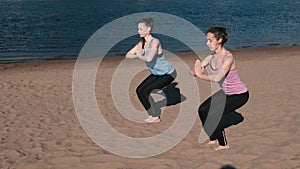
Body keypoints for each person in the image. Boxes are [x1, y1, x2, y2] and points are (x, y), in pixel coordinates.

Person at [192, 27, 249, 150]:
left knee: (214, 114)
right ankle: (213, 137)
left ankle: (223, 144)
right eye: (207, 40)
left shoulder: (228, 58)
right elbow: (201, 66)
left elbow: (218, 78)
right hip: (226, 92)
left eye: (210, 40)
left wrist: (201, 75)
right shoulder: (212, 56)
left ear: (220, 40)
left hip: (239, 95)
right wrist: (196, 69)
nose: (207, 43)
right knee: (202, 110)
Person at [125, 17, 177, 123]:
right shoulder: (141, 43)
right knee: (139, 90)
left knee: (146, 91)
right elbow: (127, 55)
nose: (138, 31)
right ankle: (152, 114)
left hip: (168, 74)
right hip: (156, 73)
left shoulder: (155, 42)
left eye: (140, 29)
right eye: (138, 29)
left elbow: (149, 58)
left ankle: (155, 116)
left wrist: (140, 54)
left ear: (148, 29)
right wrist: (138, 54)